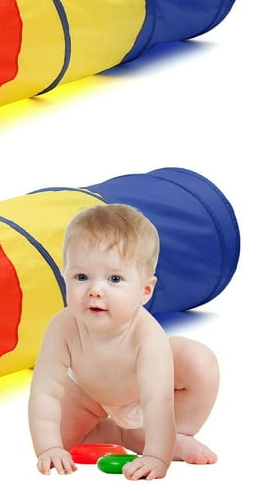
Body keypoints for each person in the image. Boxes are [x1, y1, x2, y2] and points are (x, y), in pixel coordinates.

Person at [28, 203, 219, 480]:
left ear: (145, 291)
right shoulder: (62, 327)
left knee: (198, 362)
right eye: (81, 277)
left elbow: (158, 400)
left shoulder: (147, 336)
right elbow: (45, 392)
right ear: (64, 277)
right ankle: (120, 434)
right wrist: (48, 448)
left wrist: (156, 457)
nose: (95, 290)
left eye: (115, 279)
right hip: (88, 393)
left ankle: (176, 437)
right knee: (64, 442)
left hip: (144, 393)